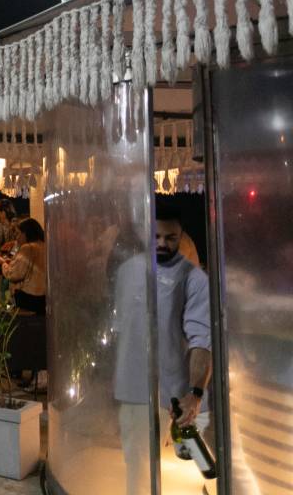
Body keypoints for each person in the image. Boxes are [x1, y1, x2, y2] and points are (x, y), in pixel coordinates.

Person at [115, 207, 212, 495]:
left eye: (170, 237)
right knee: (137, 467)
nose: (161, 243)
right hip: (133, 390)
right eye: (156, 236)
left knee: (194, 472)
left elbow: (201, 341)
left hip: (176, 397)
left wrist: (195, 394)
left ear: (181, 236)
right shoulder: (127, 271)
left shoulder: (194, 279)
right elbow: (122, 330)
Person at [3, 217, 46, 315]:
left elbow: (14, 275)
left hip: (28, 299)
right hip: (44, 298)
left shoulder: (27, 248)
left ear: (26, 233)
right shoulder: (45, 245)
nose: (17, 238)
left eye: (18, 233)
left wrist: (4, 265)